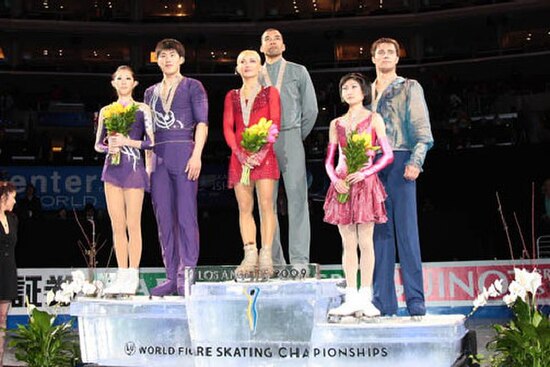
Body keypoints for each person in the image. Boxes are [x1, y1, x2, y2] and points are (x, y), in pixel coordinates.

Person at [370, 38, 434, 316]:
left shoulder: (409, 86)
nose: (385, 55)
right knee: (379, 235)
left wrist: (416, 160)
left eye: (390, 52)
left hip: (400, 159)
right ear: (373, 58)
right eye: (380, 52)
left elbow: (423, 129)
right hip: (371, 165)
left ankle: (416, 301)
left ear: (397, 58)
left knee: (407, 234)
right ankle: (383, 302)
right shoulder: (364, 91)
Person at [323, 73, 393, 317]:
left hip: (365, 183)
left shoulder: (374, 119)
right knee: (347, 243)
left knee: (366, 241)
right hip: (343, 184)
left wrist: (366, 173)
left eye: (354, 87)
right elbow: (329, 160)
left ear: (363, 92)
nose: (349, 91)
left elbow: (387, 155)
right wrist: (335, 180)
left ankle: (366, 296)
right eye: (345, 88)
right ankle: (350, 296)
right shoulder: (336, 124)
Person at [144, 39, 208, 296]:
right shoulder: (150, 92)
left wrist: (197, 155)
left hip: (184, 152)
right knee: (164, 220)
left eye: (172, 55)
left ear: (181, 59)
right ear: (157, 60)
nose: (167, 59)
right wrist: (148, 160)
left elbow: (202, 123)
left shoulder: (193, 86)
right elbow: (148, 129)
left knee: (186, 216)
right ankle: (171, 276)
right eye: (162, 56)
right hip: (158, 155)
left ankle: (186, 275)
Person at [259, 28, 318, 265]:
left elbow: (311, 109)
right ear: (261, 48)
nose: (272, 42)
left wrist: (294, 136)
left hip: (291, 136)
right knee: (266, 203)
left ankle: (300, 262)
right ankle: (274, 262)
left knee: (298, 201)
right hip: (262, 142)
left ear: (283, 46)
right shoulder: (254, 73)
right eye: (267, 40)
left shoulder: (297, 71)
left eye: (277, 39)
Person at [94, 65, 154, 295]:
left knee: (133, 224)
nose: (123, 81)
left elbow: (150, 142)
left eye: (128, 78)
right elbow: (97, 144)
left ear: (134, 83)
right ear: (113, 83)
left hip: (134, 169)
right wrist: (110, 145)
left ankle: (133, 274)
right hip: (112, 171)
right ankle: (121, 273)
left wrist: (128, 142)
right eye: (119, 78)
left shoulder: (142, 109)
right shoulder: (106, 110)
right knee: (117, 225)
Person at [223, 50, 281, 276]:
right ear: (237, 67)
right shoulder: (232, 95)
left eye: (252, 61)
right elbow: (228, 127)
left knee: (266, 206)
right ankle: (250, 255)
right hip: (240, 158)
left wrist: (262, 151)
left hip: (264, 156)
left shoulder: (270, 93)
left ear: (260, 67)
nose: (247, 65)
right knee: (244, 208)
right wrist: (238, 153)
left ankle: (266, 255)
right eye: (242, 61)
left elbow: (275, 123)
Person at [0, 181, 17, 367]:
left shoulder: (13, 220)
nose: (15, 202)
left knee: (2, 318)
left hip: (8, 272)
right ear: (3, 198)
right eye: (13, 197)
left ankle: (0, 359)